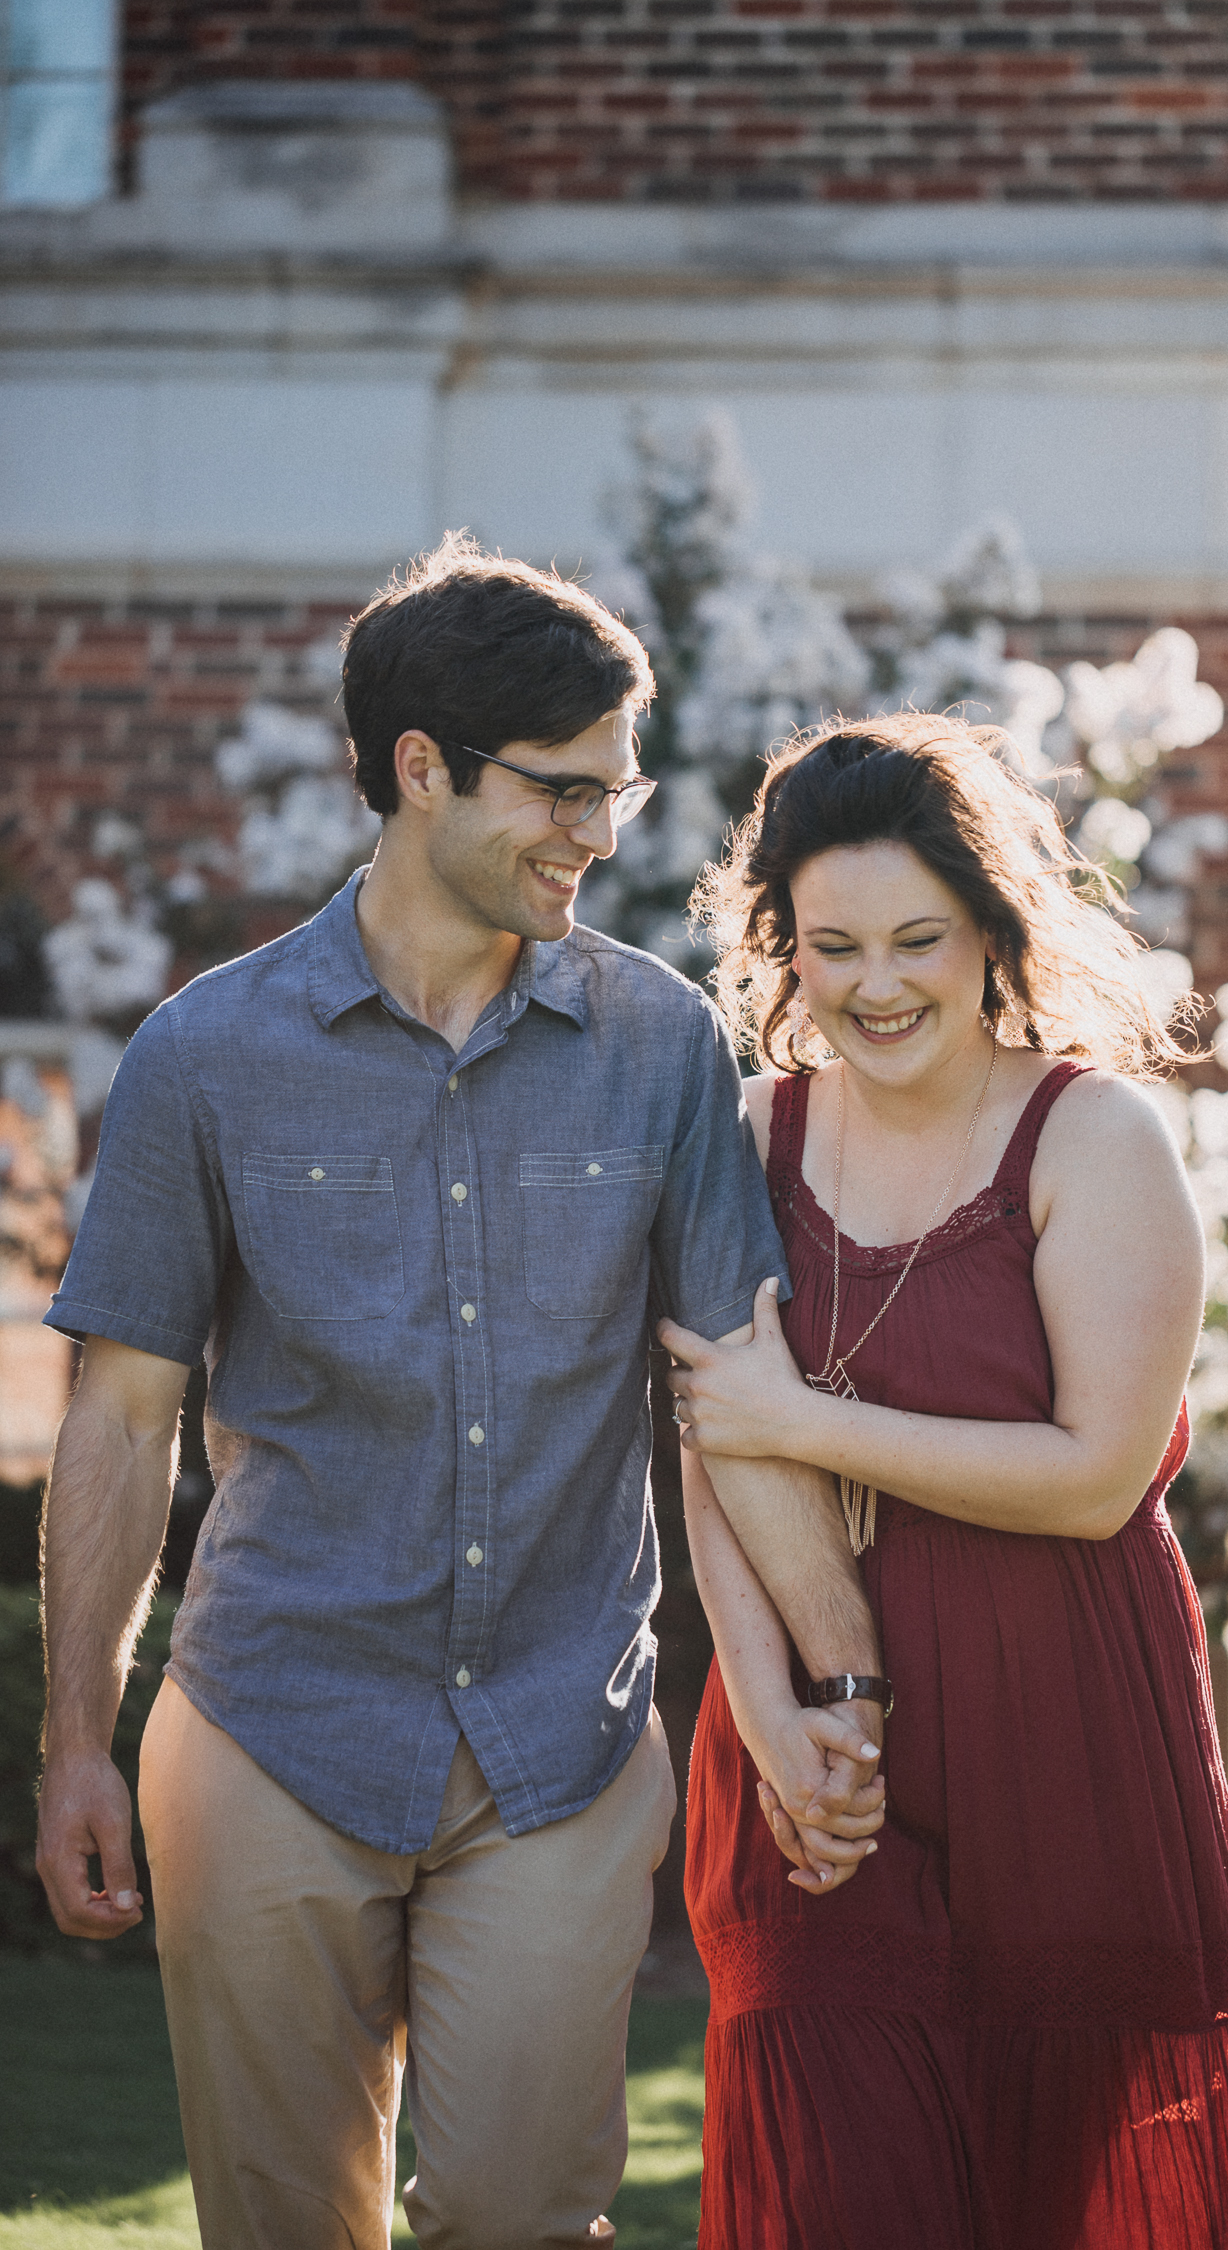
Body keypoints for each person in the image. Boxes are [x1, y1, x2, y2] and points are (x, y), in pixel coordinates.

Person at [33, 535, 887, 2250]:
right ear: (418, 770)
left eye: (619, 794)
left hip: (560, 1742)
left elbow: (744, 1392)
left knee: (515, 2210)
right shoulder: (204, 1057)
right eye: (562, 791)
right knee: (284, 2227)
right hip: (272, 1719)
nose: (598, 832)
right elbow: (121, 1420)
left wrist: (838, 1681)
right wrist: (75, 1736)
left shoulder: (657, 1046)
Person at [660, 715, 1228, 2250]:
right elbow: (715, 1442)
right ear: (784, 951)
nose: (877, 984)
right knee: (845, 2186)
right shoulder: (751, 1138)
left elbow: (1097, 1477)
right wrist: (768, 1712)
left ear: (990, 930)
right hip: (811, 1746)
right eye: (834, 946)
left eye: (918, 939)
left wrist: (804, 1420)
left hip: (1067, 1735)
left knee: (1066, 2204)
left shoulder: (1093, 1139)